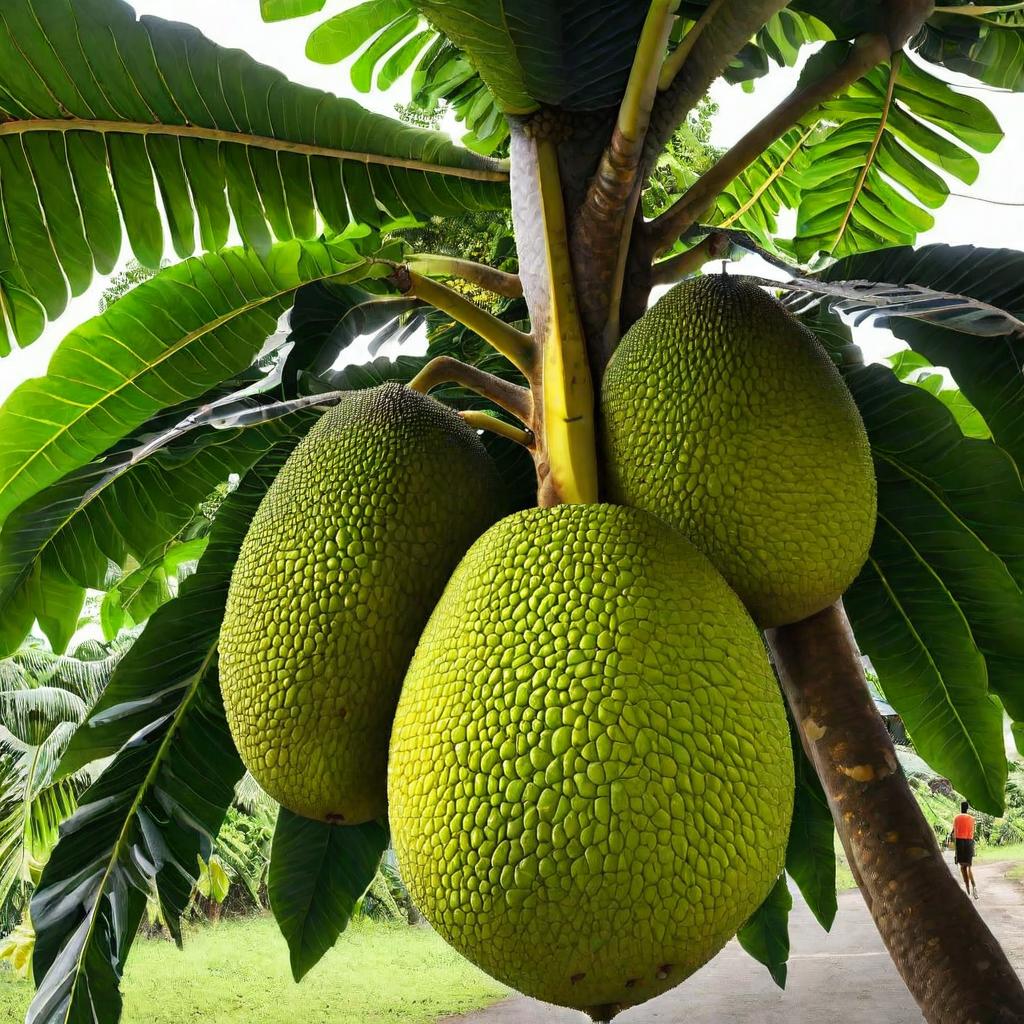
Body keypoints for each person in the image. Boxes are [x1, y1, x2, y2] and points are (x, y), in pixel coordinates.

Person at [951, 801, 978, 899]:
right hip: (969, 841)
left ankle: (967, 889)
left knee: (963, 867)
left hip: (959, 841)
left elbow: (953, 832)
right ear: (968, 809)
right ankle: (974, 886)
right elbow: (973, 832)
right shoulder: (972, 819)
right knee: (969, 866)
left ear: (961, 808)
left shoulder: (956, 818)